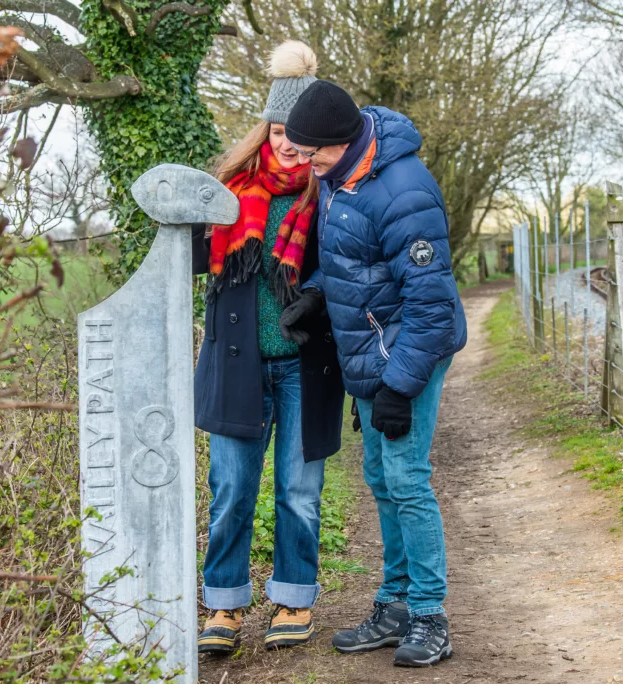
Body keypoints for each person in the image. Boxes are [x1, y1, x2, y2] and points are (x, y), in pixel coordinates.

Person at [280, 80, 467, 668]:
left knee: (408, 479)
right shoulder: (342, 179)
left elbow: (432, 309)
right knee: (382, 480)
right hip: (371, 353)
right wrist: (315, 294)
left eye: (313, 152)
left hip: (408, 353)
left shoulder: (404, 190)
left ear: (341, 140)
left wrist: (399, 385)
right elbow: (353, 262)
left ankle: (431, 616)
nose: (305, 162)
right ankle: (395, 604)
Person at [191, 42, 344, 654]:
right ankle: (224, 607)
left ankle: (292, 598)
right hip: (237, 367)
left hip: (304, 368)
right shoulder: (226, 195)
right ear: (265, 132)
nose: (286, 144)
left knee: (300, 495)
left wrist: (319, 293)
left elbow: (349, 268)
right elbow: (193, 262)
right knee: (230, 492)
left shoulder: (330, 197)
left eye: (296, 135)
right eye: (277, 131)